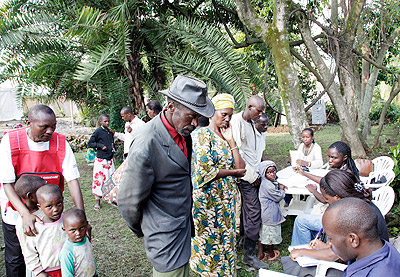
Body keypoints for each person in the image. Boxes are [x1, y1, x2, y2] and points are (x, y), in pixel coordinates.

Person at [118, 75, 215, 276]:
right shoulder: (146, 143)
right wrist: (148, 229)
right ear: (171, 107)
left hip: (182, 229)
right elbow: (128, 202)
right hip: (165, 239)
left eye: (199, 117)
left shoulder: (182, 131)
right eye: (191, 116)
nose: (196, 123)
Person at [0, 104, 86, 277]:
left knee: (51, 253)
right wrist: (25, 215)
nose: (49, 131)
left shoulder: (60, 143)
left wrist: (81, 216)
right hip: (17, 211)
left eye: (53, 127)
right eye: (43, 127)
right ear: (28, 123)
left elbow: (72, 181)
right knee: (16, 258)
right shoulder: (10, 140)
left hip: (48, 212)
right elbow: (7, 184)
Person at [283, 171, 389, 276]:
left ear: (337, 197)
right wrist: (326, 245)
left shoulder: (352, 216)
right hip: (374, 260)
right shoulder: (362, 205)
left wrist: (302, 251)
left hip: (362, 268)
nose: (327, 203)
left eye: (327, 200)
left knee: (299, 268)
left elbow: (332, 255)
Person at [190, 93, 246, 276]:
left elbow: (241, 168)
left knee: (226, 244)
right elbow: (204, 171)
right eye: (224, 114)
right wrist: (233, 173)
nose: (227, 119)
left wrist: (231, 141)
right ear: (213, 112)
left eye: (230, 115)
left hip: (226, 203)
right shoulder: (202, 135)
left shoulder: (225, 137)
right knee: (210, 246)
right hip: (208, 203)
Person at [230, 95, 268, 269]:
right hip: (245, 176)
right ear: (249, 107)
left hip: (253, 174)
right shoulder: (237, 121)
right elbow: (237, 153)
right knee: (253, 212)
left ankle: (245, 244)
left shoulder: (253, 124)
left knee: (248, 211)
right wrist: (252, 176)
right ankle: (249, 256)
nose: (261, 115)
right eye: (258, 111)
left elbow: (254, 153)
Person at [322, 198, 400, 277]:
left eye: (330, 238)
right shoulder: (381, 248)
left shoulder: (380, 273)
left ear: (353, 240)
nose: (329, 243)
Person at [19, 184, 66, 277]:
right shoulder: (36, 228)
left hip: (69, 268)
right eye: (49, 206)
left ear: (63, 200)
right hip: (48, 272)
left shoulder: (68, 221)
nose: (55, 209)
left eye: (59, 203)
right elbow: (29, 253)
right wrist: (39, 272)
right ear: (40, 207)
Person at [14, 175, 46, 276]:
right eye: (42, 190)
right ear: (30, 196)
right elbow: (27, 250)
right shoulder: (24, 222)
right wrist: (39, 271)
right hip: (39, 270)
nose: (46, 191)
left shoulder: (45, 210)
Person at [257, 161, 287, 261]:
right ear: (263, 173)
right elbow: (278, 196)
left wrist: (278, 184)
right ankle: (270, 254)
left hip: (265, 213)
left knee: (263, 234)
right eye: (269, 173)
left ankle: (261, 254)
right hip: (270, 214)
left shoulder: (266, 182)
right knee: (270, 235)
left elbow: (274, 183)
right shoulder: (268, 185)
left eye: (274, 171)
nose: (272, 175)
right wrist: (282, 190)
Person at [88, 114, 116, 210]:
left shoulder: (109, 131)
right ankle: (97, 201)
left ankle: (110, 198)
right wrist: (100, 145)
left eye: (108, 121)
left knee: (110, 179)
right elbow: (90, 143)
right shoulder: (98, 131)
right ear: (101, 122)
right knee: (99, 180)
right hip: (101, 160)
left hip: (109, 160)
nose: (107, 123)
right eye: (105, 121)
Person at [60, 208, 97, 277]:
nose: (78, 233)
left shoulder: (86, 239)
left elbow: (90, 257)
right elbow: (67, 274)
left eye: (82, 228)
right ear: (64, 230)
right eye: (73, 230)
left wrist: (95, 273)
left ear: (86, 225)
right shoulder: (67, 252)